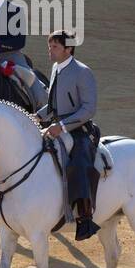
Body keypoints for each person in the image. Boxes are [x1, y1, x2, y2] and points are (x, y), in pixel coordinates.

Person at [37, 31, 100, 241]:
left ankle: (85, 217)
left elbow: (88, 109)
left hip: (79, 128)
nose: (50, 50)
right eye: (49, 46)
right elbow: (53, 104)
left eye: (54, 46)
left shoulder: (82, 72)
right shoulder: (56, 68)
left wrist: (62, 126)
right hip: (57, 124)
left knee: (79, 162)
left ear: (68, 49)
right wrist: (36, 116)